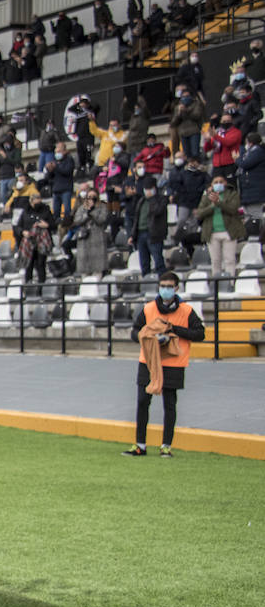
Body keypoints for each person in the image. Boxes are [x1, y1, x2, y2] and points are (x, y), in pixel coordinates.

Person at [122, 272, 205, 458]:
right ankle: (140, 445)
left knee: (170, 404)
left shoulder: (187, 311)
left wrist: (174, 331)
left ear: (176, 288)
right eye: (162, 286)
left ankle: (166, 446)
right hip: (149, 361)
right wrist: (149, 338)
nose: (165, 289)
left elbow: (200, 334)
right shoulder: (149, 308)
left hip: (173, 363)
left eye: (169, 286)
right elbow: (135, 332)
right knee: (143, 401)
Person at [194, 176, 245, 277]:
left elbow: (233, 209)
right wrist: (213, 206)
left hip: (229, 231)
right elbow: (200, 213)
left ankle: (229, 283)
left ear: (225, 183)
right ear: (211, 185)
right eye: (215, 182)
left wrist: (218, 202)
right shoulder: (206, 196)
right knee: (215, 261)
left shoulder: (232, 194)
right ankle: (216, 285)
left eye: (221, 182)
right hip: (212, 233)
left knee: (229, 260)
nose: (218, 184)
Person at [128, 179, 170, 277]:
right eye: (145, 189)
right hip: (140, 234)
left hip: (154, 234)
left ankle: (163, 281)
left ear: (154, 189)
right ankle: (146, 284)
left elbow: (157, 211)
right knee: (144, 263)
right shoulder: (141, 201)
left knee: (158, 261)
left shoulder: (161, 200)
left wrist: (153, 199)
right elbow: (137, 219)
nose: (147, 191)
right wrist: (133, 235)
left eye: (149, 189)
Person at [71, 185, 110, 276]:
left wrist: (92, 212)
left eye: (93, 197)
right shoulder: (82, 208)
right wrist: (86, 214)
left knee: (97, 269)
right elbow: (77, 220)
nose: (91, 199)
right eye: (89, 196)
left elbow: (102, 219)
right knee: (85, 269)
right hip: (84, 240)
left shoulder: (102, 207)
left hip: (98, 240)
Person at [238, 132, 265, 224]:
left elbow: (245, 164)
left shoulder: (257, 151)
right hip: (249, 191)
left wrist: (237, 158)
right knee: (249, 216)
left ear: (250, 142)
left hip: (255, 191)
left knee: (256, 216)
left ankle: (259, 234)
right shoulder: (250, 152)